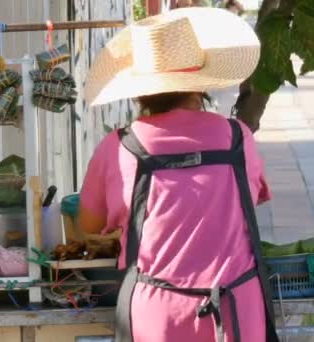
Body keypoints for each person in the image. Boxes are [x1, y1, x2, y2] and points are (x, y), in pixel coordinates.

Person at [78, 7, 279, 342]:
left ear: (140, 92)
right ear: (199, 85)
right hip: (235, 312)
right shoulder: (237, 137)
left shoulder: (120, 147)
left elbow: (89, 224)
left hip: (158, 318)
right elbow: (249, 200)